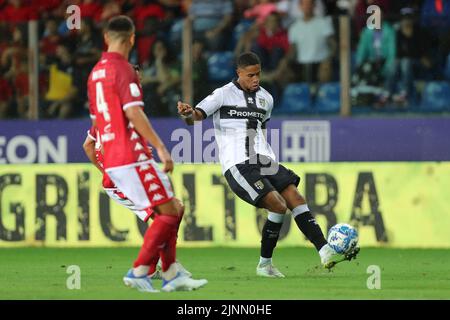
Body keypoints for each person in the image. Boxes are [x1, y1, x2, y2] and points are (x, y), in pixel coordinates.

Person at [177, 52, 359, 278]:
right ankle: (265, 265)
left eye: (258, 74)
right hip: (238, 163)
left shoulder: (266, 99)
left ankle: (325, 251)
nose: (256, 79)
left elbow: (261, 131)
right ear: (239, 73)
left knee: (296, 198)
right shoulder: (222, 95)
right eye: (250, 75)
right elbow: (196, 116)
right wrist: (187, 113)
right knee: (278, 205)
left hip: (263, 159)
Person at [87, 15, 207, 292]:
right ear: (131, 39)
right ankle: (140, 270)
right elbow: (132, 112)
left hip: (113, 160)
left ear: (106, 39)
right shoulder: (125, 70)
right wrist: (162, 148)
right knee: (171, 211)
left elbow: (97, 122)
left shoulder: (95, 73)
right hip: (130, 154)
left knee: (171, 208)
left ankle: (171, 272)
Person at [82, 123, 192, 280]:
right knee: (167, 215)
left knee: (176, 209)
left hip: (127, 178)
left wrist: (106, 171)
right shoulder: (117, 116)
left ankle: (160, 265)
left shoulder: (103, 116)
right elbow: (110, 148)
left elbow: (88, 145)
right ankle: (156, 266)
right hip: (122, 182)